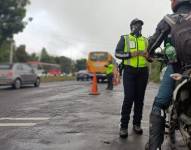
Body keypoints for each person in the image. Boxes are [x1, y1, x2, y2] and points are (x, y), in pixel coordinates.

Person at [146, 0, 191, 149]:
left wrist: (149, 54)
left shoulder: (169, 19)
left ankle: (154, 146)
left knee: (159, 104)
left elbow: (152, 44)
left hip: (177, 66)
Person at [115, 18, 149, 138]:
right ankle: (124, 126)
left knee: (139, 100)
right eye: (137, 24)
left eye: (140, 25)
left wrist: (148, 56)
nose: (139, 27)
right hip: (129, 71)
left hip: (143, 72)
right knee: (129, 98)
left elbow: (151, 57)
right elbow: (117, 53)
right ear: (132, 26)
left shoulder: (145, 40)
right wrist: (131, 54)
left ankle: (137, 124)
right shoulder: (125, 38)